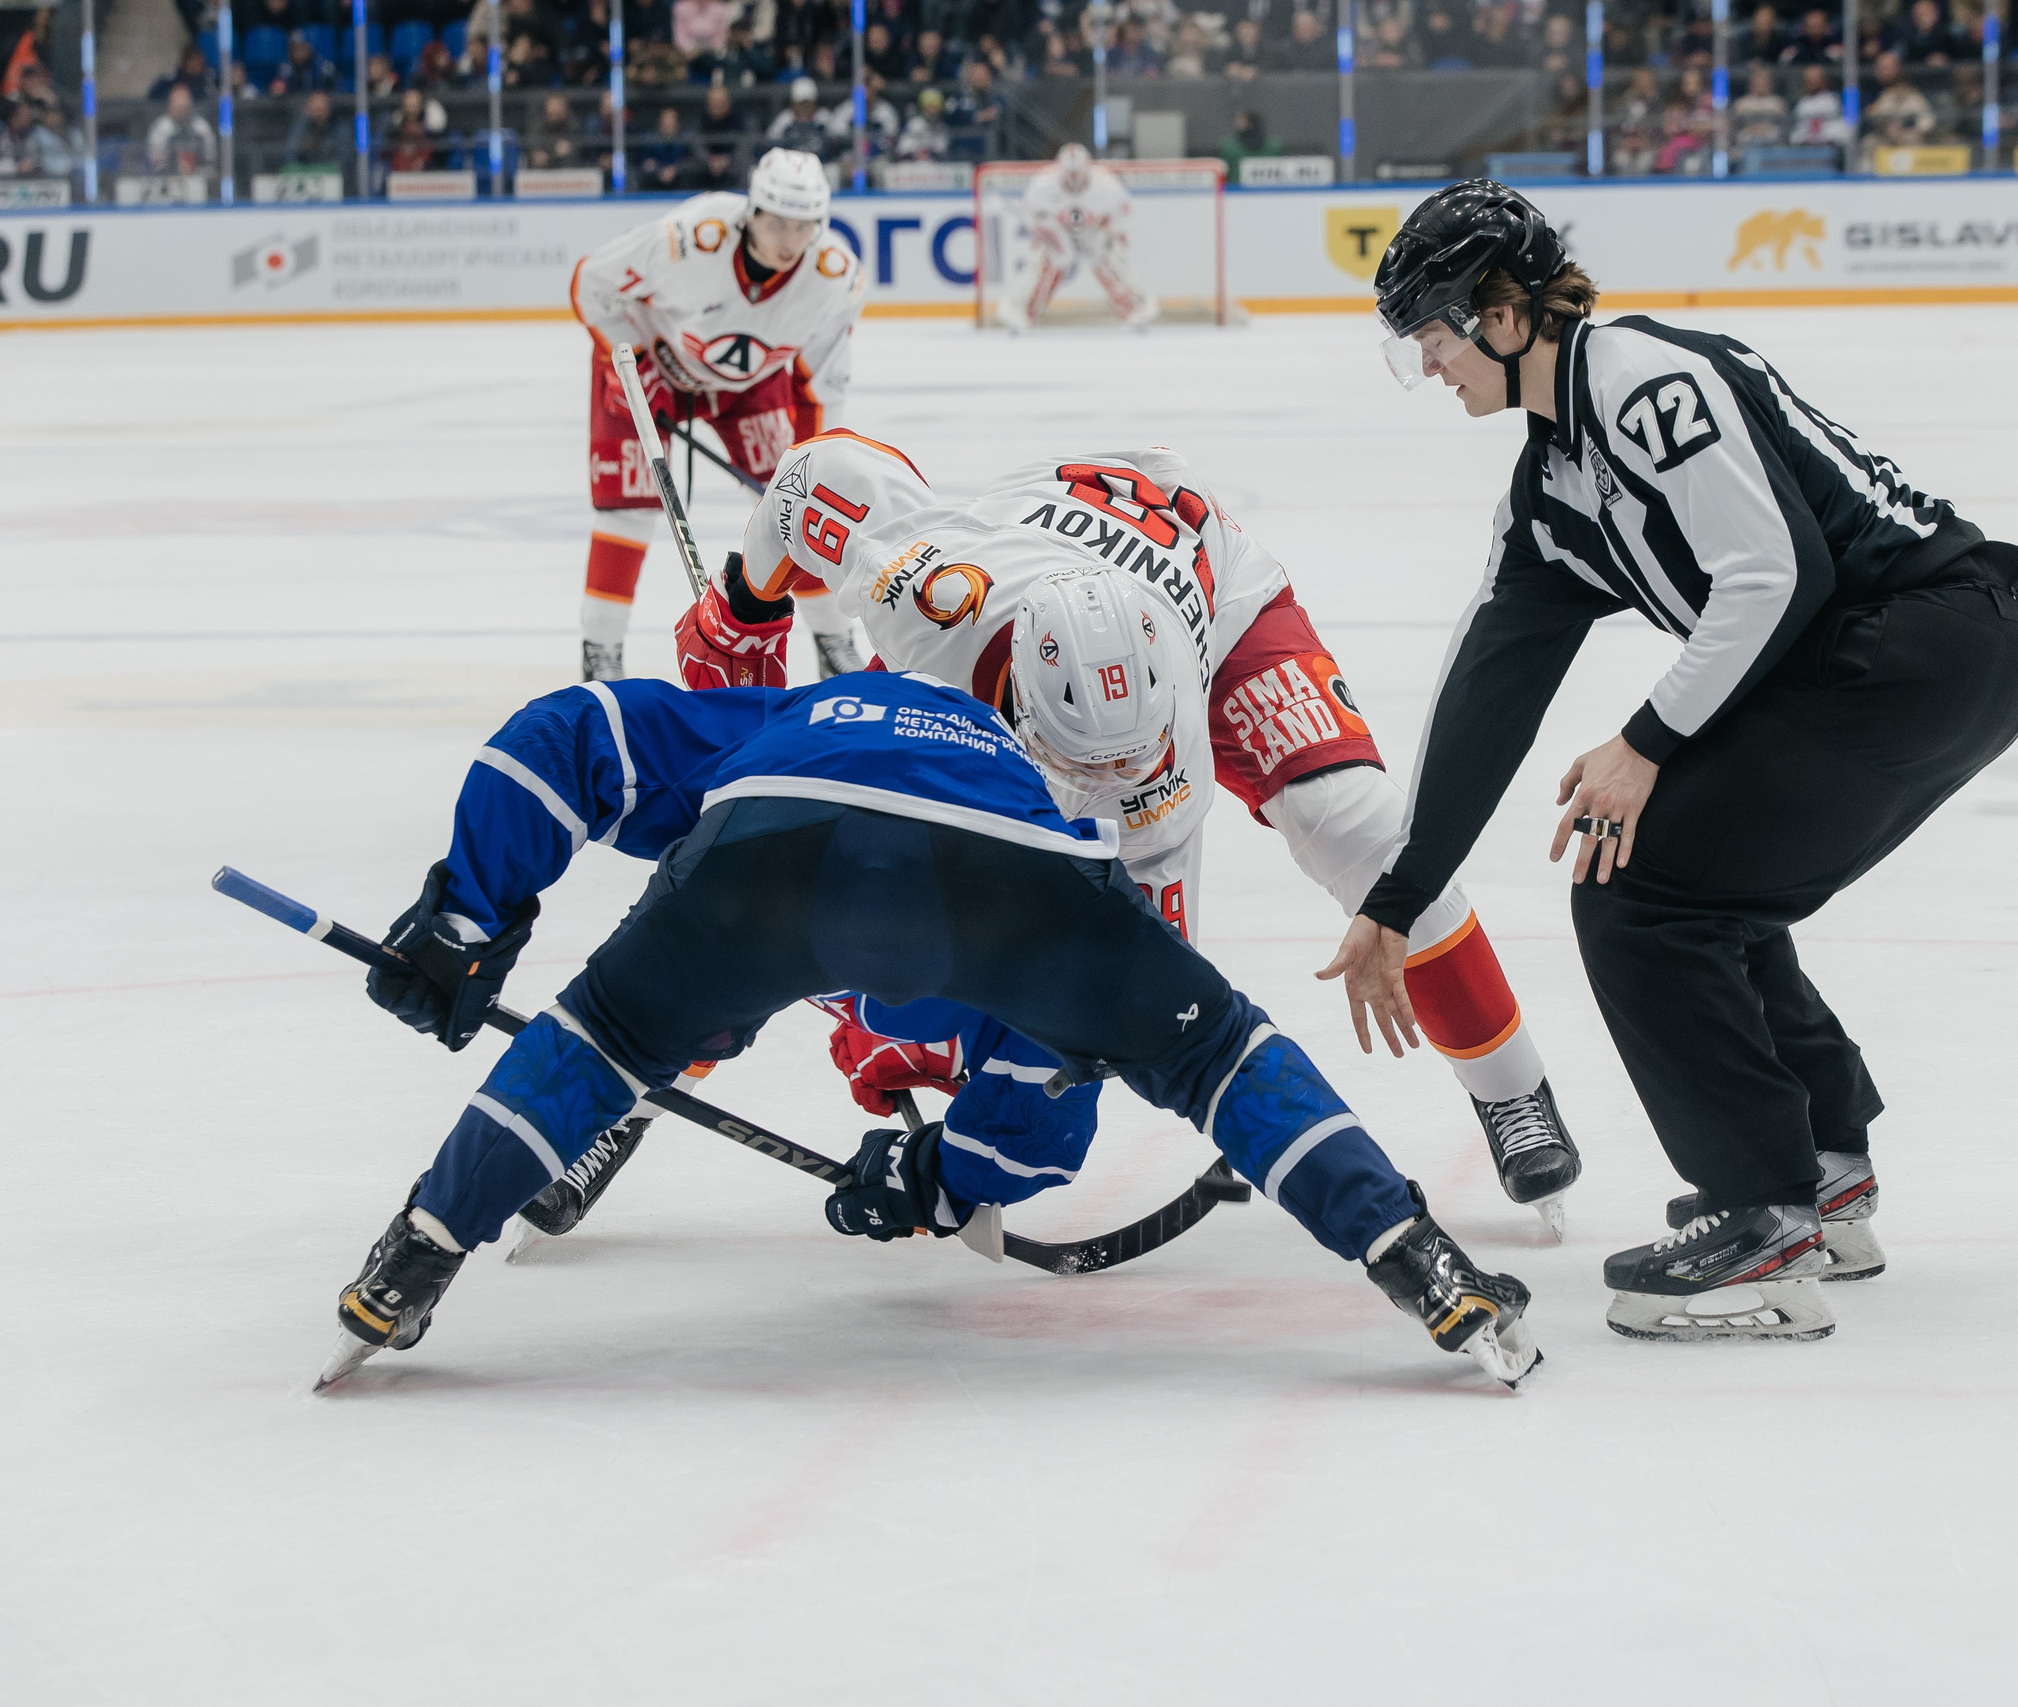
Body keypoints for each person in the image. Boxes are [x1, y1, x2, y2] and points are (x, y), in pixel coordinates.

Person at [324, 669, 1541, 1392]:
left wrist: (467, 914)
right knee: (1218, 1054)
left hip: (768, 842)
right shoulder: (1034, 797)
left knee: (597, 1044)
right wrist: (937, 1179)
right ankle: (1416, 1261)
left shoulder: (790, 710)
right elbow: (1029, 1143)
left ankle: (408, 1265)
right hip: (1001, 879)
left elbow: (564, 731)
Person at [1328, 181, 2018, 1343]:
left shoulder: (1643, 382)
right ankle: (1819, 1170)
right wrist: (1401, 894)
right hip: (1894, 661)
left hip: (1928, 639)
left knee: (1642, 889)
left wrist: (1642, 746)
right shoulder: (1552, 486)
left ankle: (1765, 1215)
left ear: (1502, 312)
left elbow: (1776, 575)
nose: (1430, 369)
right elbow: (1490, 690)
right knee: (1690, 881)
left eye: (1433, 338)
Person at [673, 432, 1586, 1222]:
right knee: (786, 859)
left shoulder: (1165, 760)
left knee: (1357, 825)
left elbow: (1138, 973)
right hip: (1039, 554)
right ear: (1020, 705)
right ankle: (632, 1078)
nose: (1105, 789)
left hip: (1216, 599)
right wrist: (741, 616)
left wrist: (972, 1052)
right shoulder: (924, 598)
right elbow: (812, 477)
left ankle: (1515, 1091)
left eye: (1128, 769)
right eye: (1079, 766)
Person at [567, 149, 864, 683]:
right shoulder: (688, 239)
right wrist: (631, 361)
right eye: (776, 222)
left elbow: (821, 382)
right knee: (626, 509)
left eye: (803, 227)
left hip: (749, 386)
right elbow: (593, 283)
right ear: (752, 213)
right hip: (648, 367)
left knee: (801, 512)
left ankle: (833, 639)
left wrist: (811, 464)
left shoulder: (835, 279)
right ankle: (601, 650)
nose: (787, 241)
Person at [993, 142, 1157, 331]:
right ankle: (1021, 310)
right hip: (1057, 228)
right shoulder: (1042, 185)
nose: (1073, 178)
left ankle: (1134, 308)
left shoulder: (1106, 185)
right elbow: (1029, 212)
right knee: (1050, 259)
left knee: (1107, 257)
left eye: (1077, 173)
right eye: (1069, 173)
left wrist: (1111, 231)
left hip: (1093, 229)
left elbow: (1124, 210)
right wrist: (1043, 230)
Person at [146, 84, 218, 176]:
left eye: (184, 107)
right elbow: (156, 164)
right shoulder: (160, 129)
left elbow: (210, 161)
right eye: (178, 108)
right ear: (169, 107)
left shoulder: (202, 129)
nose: (182, 112)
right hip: (167, 180)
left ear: (191, 107)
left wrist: (195, 175)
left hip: (199, 180)